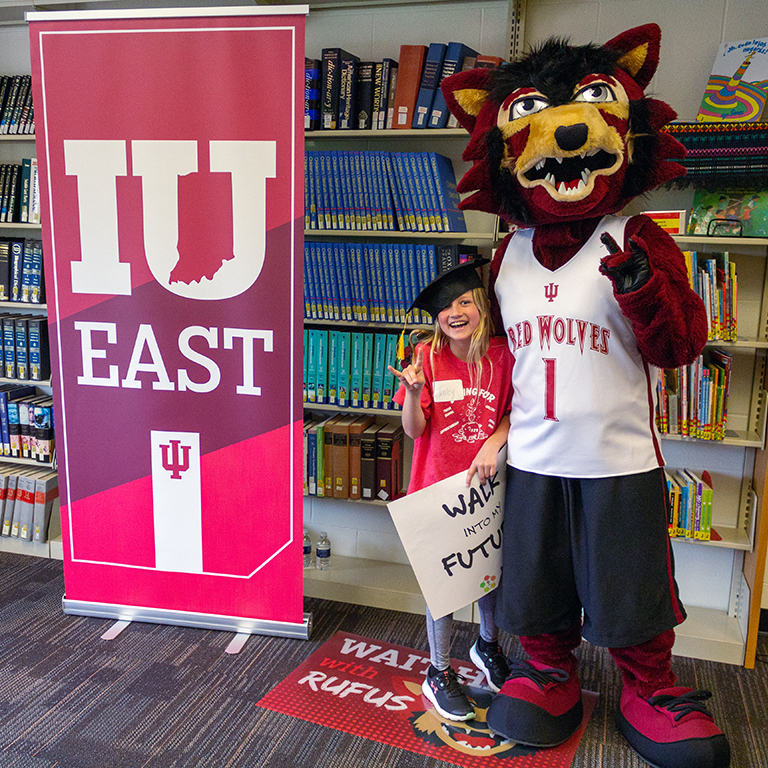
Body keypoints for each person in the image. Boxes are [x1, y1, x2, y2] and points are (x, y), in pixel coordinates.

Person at [389, 259, 514, 722]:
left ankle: (487, 647)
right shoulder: (425, 356)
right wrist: (411, 393)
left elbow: (513, 412)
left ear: (480, 304)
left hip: (486, 486)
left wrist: (493, 443)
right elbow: (414, 431)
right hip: (437, 489)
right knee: (443, 588)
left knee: (489, 575)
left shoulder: (504, 355)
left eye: (464, 301)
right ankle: (438, 671)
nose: (455, 312)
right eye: (445, 307)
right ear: (436, 317)